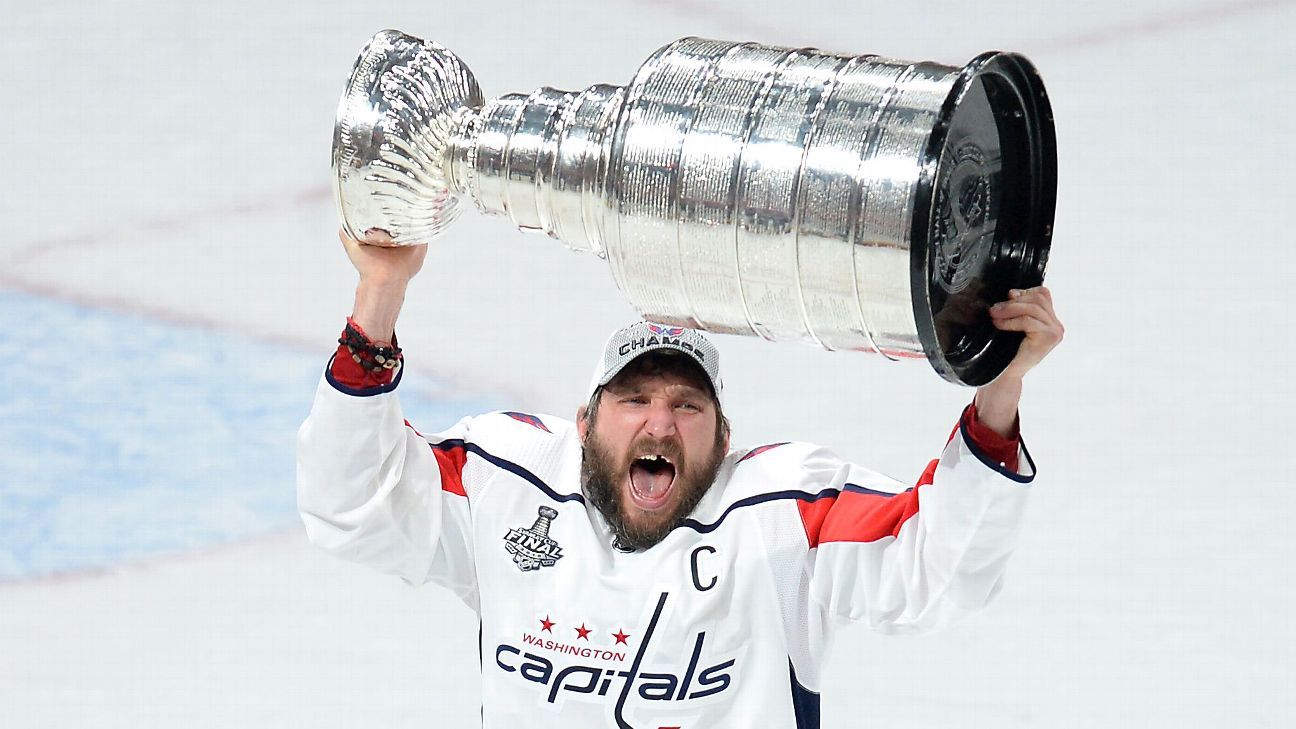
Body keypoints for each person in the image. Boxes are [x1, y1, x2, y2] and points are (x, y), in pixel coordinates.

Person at [297, 231, 1064, 729]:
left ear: (725, 438)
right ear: (584, 421)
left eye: (686, 404)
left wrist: (1000, 391)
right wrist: (379, 297)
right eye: (633, 399)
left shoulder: (783, 516)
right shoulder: (507, 485)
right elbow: (348, 501)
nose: (659, 424)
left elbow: (939, 570)